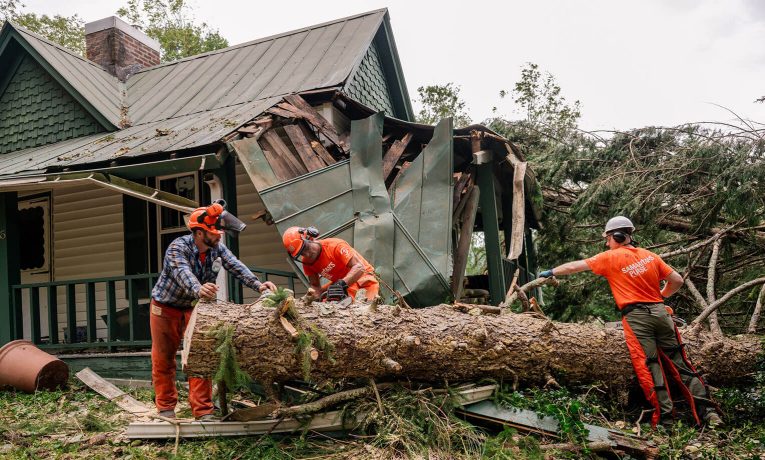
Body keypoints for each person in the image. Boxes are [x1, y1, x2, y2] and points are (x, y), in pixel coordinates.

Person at [538, 216, 722, 428]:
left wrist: (551, 272)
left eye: (608, 239)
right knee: (682, 364)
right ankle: (709, 413)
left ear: (615, 236)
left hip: (637, 318)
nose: (607, 243)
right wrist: (661, 295)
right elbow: (677, 281)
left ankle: (666, 420)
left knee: (651, 367)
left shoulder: (609, 257)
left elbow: (574, 267)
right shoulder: (650, 256)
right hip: (661, 313)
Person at [150, 201, 277, 420]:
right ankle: (165, 408)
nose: (218, 236)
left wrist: (258, 285)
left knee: (201, 357)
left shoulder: (217, 248)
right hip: (165, 307)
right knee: (163, 358)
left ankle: (203, 411)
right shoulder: (178, 247)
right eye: (213, 232)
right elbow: (182, 272)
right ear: (199, 233)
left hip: (195, 307)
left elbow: (235, 265)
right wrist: (198, 288)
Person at [282, 226, 379, 302]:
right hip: (342, 284)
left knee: (364, 308)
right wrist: (308, 299)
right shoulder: (307, 262)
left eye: (305, 248)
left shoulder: (334, 246)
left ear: (310, 238)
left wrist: (341, 284)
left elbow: (359, 267)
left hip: (363, 278)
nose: (306, 254)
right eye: (301, 253)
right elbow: (315, 287)